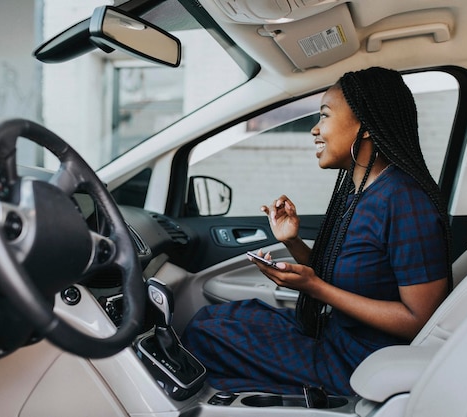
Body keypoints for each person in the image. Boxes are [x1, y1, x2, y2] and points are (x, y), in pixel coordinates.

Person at [180, 67, 452, 396]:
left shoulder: (405, 201)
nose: (314, 129)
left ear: (364, 125)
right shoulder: (360, 194)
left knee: (206, 336)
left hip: (357, 359)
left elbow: (419, 318)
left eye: (324, 116)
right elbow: (344, 274)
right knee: (214, 318)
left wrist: (316, 288)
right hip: (334, 337)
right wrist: (292, 241)